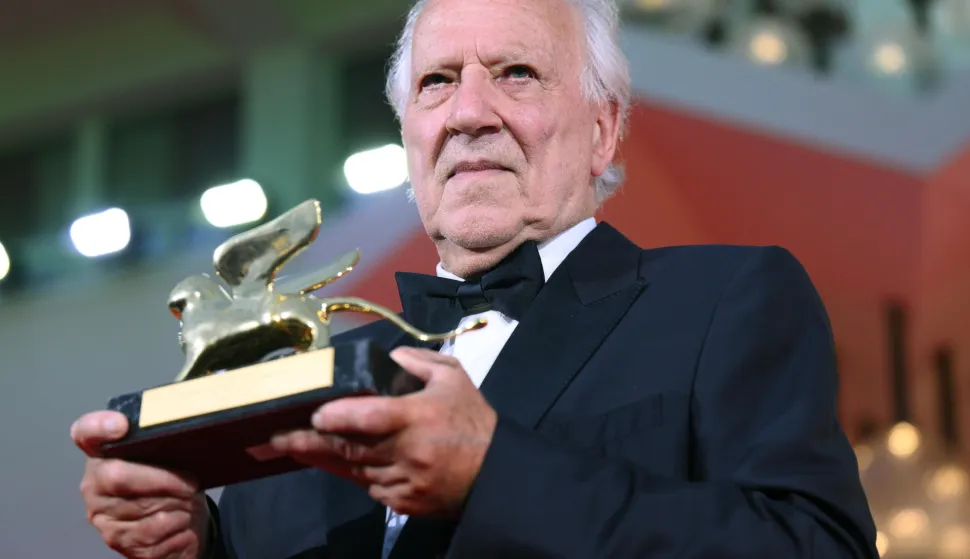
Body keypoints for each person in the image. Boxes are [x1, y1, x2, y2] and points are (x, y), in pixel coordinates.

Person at [72, 0, 879, 557]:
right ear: (410, 136)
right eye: (437, 81)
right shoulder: (311, 385)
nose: (468, 113)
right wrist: (194, 543)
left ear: (602, 130)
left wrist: (497, 472)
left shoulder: (724, 302)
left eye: (516, 73)